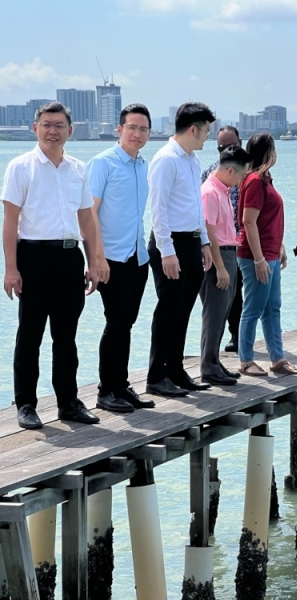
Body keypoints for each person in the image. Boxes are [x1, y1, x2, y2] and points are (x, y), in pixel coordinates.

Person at [1, 102, 104, 429]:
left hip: (69, 257)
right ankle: (26, 405)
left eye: (59, 125)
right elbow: (9, 221)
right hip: (33, 257)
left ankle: (68, 403)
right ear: (35, 128)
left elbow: (87, 218)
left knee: (66, 337)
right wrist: (11, 268)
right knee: (29, 336)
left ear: (70, 131)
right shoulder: (20, 167)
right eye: (46, 124)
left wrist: (94, 260)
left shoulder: (77, 168)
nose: (52, 131)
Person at [87, 103, 157, 413]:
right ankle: (106, 391)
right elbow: (89, 213)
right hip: (110, 257)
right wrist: (96, 257)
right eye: (132, 127)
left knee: (126, 322)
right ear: (119, 129)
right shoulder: (103, 163)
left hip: (136, 256)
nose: (137, 133)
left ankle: (120, 385)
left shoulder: (142, 165)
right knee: (116, 321)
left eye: (143, 129)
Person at [145, 102, 215, 397]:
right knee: (168, 310)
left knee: (184, 310)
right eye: (206, 131)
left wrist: (204, 243)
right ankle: (155, 375)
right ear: (192, 129)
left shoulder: (192, 160)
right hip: (169, 242)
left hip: (191, 242)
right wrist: (167, 251)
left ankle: (175, 369)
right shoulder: (166, 159)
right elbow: (157, 209)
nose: (207, 137)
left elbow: (195, 206)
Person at [236, 133, 297, 376]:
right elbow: (248, 222)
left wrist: (279, 246)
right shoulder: (253, 180)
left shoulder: (265, 179)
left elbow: (268, 220)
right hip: (255, 256)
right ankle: (246, 360)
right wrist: (260, 259)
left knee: (273, 307)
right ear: (269, 152)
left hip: (271, 252)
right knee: (253, 307)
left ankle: (277, 357)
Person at [199, 145, 250, 385]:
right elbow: (208, 232)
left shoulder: (222, 190)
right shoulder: (210, 191)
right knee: (215, 311)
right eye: (240, 175)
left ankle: (215, 362)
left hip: (230, 253)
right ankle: (208, 366)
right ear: (230, 170)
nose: (241, 181)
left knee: (224, 311)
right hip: (220, 256)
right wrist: (219, 267)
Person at [201, 125, 243, 353]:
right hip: (221, 247)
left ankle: (239, 337)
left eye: (231, 145)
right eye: (221, 147)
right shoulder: (210, 177)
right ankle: (212, 359)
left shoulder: (247, 171)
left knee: (236, 296)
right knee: (218, 304)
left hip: (239, 243)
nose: (226, 150)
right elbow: (207, 225)